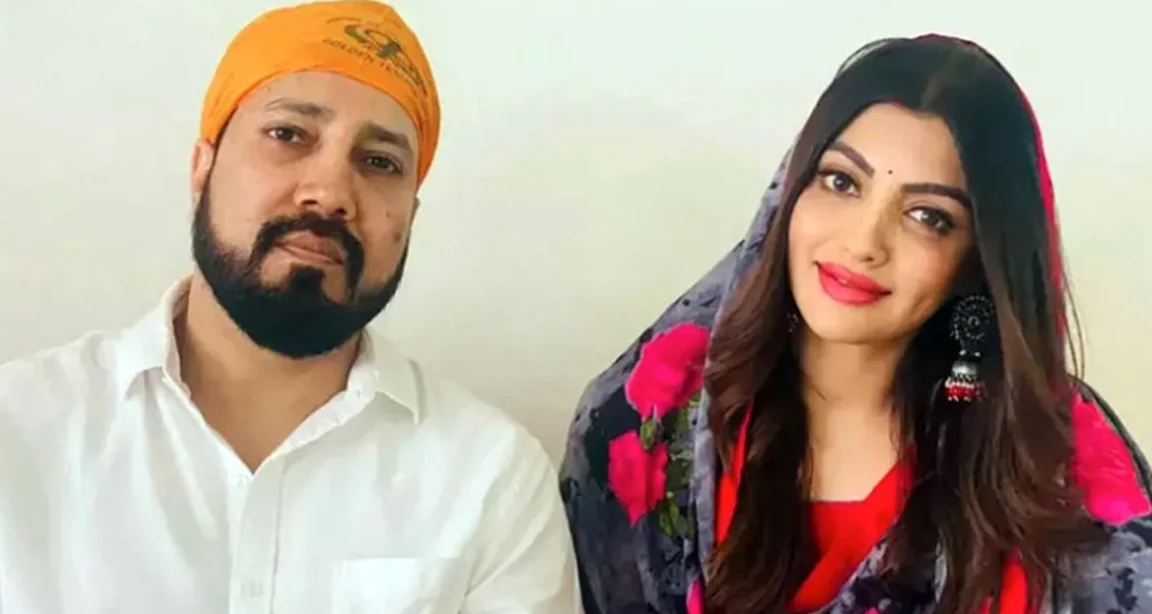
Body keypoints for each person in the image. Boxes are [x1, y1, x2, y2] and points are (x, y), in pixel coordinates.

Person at [0, 2, 576, 612]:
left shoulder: (491, 480)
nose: (329, 193)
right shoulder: (22, 429)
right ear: (202, 168)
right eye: (288, 134)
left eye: (379, 162)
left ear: (409, 217)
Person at [560, 34, 1152, 614]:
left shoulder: (1055, 460)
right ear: (789, 192)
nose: (864, 242)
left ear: (977, 263)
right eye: (842, 182)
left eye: (928, 216)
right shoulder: (643, 427)